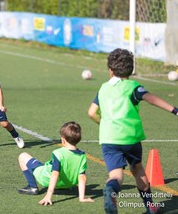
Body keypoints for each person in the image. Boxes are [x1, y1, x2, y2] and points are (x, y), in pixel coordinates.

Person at [88, 48, 177, 214]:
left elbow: (91, 112)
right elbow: (150, 99)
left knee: (115, 175)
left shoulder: (103, 88)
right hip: (130, 138)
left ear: (110, 70)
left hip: (109, 138)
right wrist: (175, 110)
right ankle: (150, 206)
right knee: (137, 170)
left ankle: (111, 190)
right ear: (130, 69)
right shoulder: (133, 87)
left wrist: (103, 123)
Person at [17, 121, 94, 205]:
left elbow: (54, 174)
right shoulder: (82, 155)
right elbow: (82, 177)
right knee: (49, 166)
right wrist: (82, 198)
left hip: (46, 178)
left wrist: (48, 195)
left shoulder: (58, 153)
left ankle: (32, 187)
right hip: (68, 184)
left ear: (63, 140)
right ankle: (63, 187)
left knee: (22, 156)